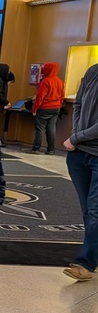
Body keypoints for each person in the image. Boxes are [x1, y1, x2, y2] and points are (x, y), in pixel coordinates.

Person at [63, 64, 98, 281]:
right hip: (79, 154)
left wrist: (76, 137)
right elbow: (78, 103)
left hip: (90, 151)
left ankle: (85, 264)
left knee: (95, 211)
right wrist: (76, 133)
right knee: (88, 210)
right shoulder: (93, 71)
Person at [26, 62, 65, 155]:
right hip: (55, 108)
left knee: (40, 128)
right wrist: (58, 106)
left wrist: (34, 109)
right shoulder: (60, 81)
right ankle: (50, 149)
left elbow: (40, 97)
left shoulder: (45, 81)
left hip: (44, 108)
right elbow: (62, 96)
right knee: (51, 128)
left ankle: (36, 148)